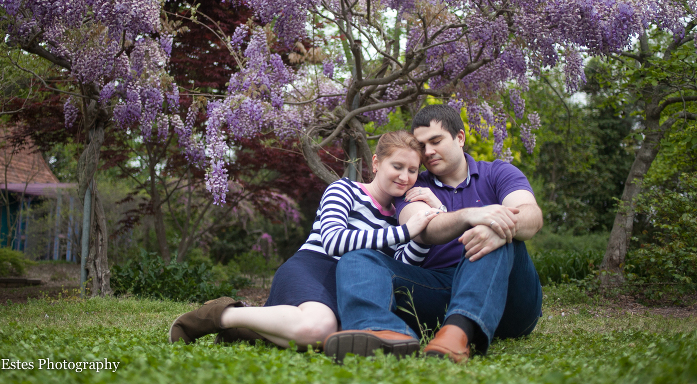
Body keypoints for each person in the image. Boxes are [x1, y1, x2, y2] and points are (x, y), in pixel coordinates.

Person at [168, 131, 441, 350]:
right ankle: (220, 315)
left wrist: (423, 234)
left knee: (330, 339)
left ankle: (244, 331)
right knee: (317, 329)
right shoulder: (343, 189)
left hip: (352, 285)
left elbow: (401, 263)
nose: (405, 177)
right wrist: (406, 231)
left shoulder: (400, 217)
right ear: (376, 163)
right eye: (397, 166)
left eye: (413, 170)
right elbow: (334, 241)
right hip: (314, 266)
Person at [324, 104, 543, 363]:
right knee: (359, 257)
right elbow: (421, 231)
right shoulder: (414, 183)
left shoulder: (497, 172)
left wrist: (497, 225)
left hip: (509, 298)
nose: (428, 152)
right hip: (438, 290)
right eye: (422, 145)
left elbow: (531, 215)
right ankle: (378, 330)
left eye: (436, 141)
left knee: (495, 231)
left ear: (459, 138)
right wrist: (470, 216)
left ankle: (458, 332)